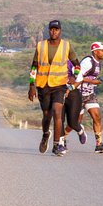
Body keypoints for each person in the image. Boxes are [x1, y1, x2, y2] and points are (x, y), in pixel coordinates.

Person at [28, 20, 80, 157]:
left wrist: (74, 77)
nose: (54, 32)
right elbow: (34, 67)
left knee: (57, 112)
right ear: (49, 30)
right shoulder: (41, 46)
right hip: (43, 85)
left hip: (59, 85)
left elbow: (77, 65)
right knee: (46, 116)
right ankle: (46, 134)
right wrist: (31, 85)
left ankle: (57, 145)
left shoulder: (66, 46)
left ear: (60, 31)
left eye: (56, 29)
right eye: (52, 29)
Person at [77, 41, 103, 154]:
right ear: (95, 51)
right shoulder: (87, 61)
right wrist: (93, 81)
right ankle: (62, 141)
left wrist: (96, 82)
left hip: (90, 95)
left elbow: (91, 80)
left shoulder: (98, 64)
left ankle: (99, 145)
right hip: (78, 94)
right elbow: (78, 76)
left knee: (97, 117)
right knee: (75, 123)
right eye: (102, 50)